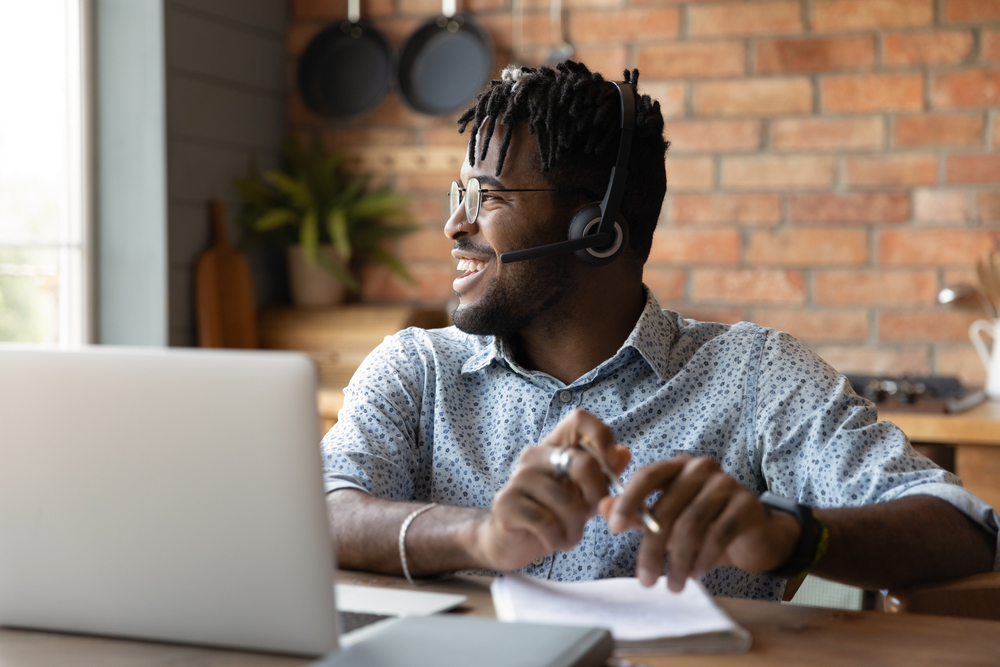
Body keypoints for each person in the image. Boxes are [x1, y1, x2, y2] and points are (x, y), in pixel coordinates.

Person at [321, 61, 998, 600]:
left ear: (598, 231)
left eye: (489, 197)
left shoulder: (754, 374)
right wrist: (481, 536)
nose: (454, 225)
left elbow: (964, 526)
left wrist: (786, 534)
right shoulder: (415, 369)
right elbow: (318, 515)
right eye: (458, 195)